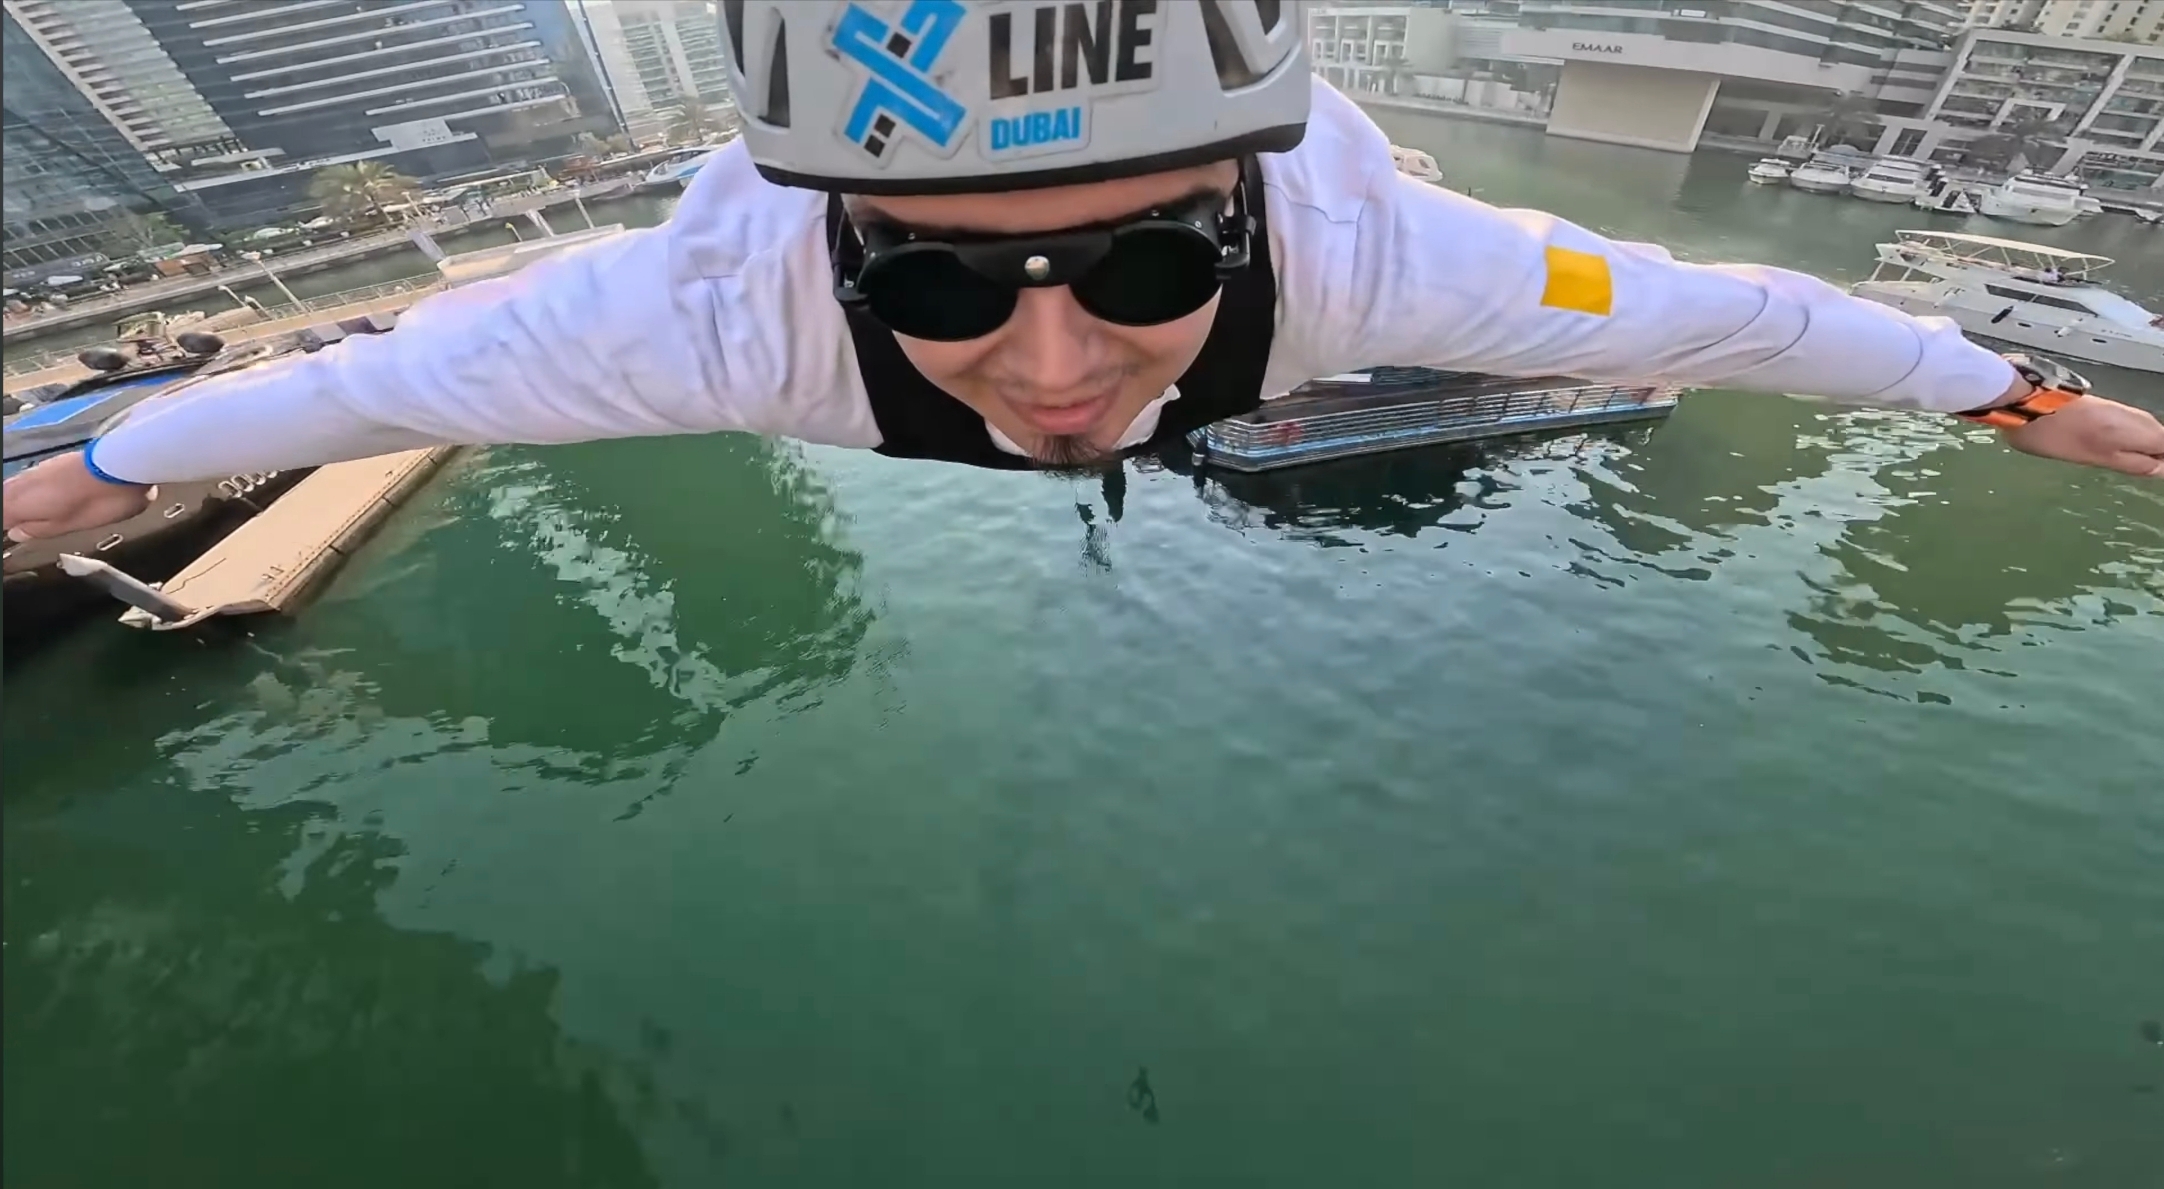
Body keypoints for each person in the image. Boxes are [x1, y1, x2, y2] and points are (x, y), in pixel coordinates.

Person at [6, 0, 2160, 548]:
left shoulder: (1393, 255)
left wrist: (2028, 396)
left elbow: (1753, 315)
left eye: (1144, 254)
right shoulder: (695, 315)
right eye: (940, 284)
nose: (1052, 366)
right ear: (836, 247)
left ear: (1249, 210)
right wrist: (105, 461)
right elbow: (377, 378)